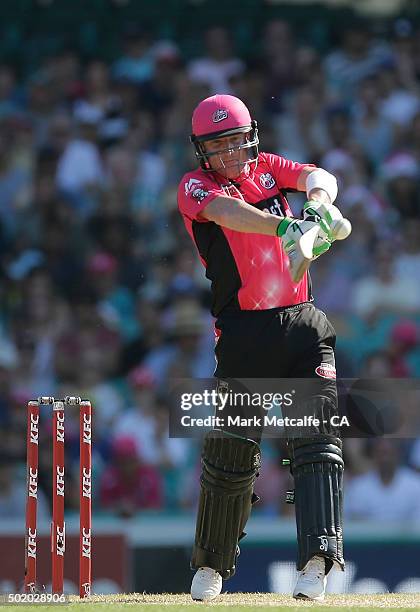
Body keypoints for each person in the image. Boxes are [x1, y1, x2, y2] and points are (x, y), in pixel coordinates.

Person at [177, 94, 351, 601]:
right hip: (243, 334)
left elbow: (321, 176)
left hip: (302, 326)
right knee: (232, 456)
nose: (229, 153)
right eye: (217, 146)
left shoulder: (269, 168)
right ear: (201, 151)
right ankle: (212, 568)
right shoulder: (196, 187)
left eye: (235, 141)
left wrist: (316, 205)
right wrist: (284, 225)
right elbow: (230, 215)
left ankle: (317, 564)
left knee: (317, 441)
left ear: (251, 136)